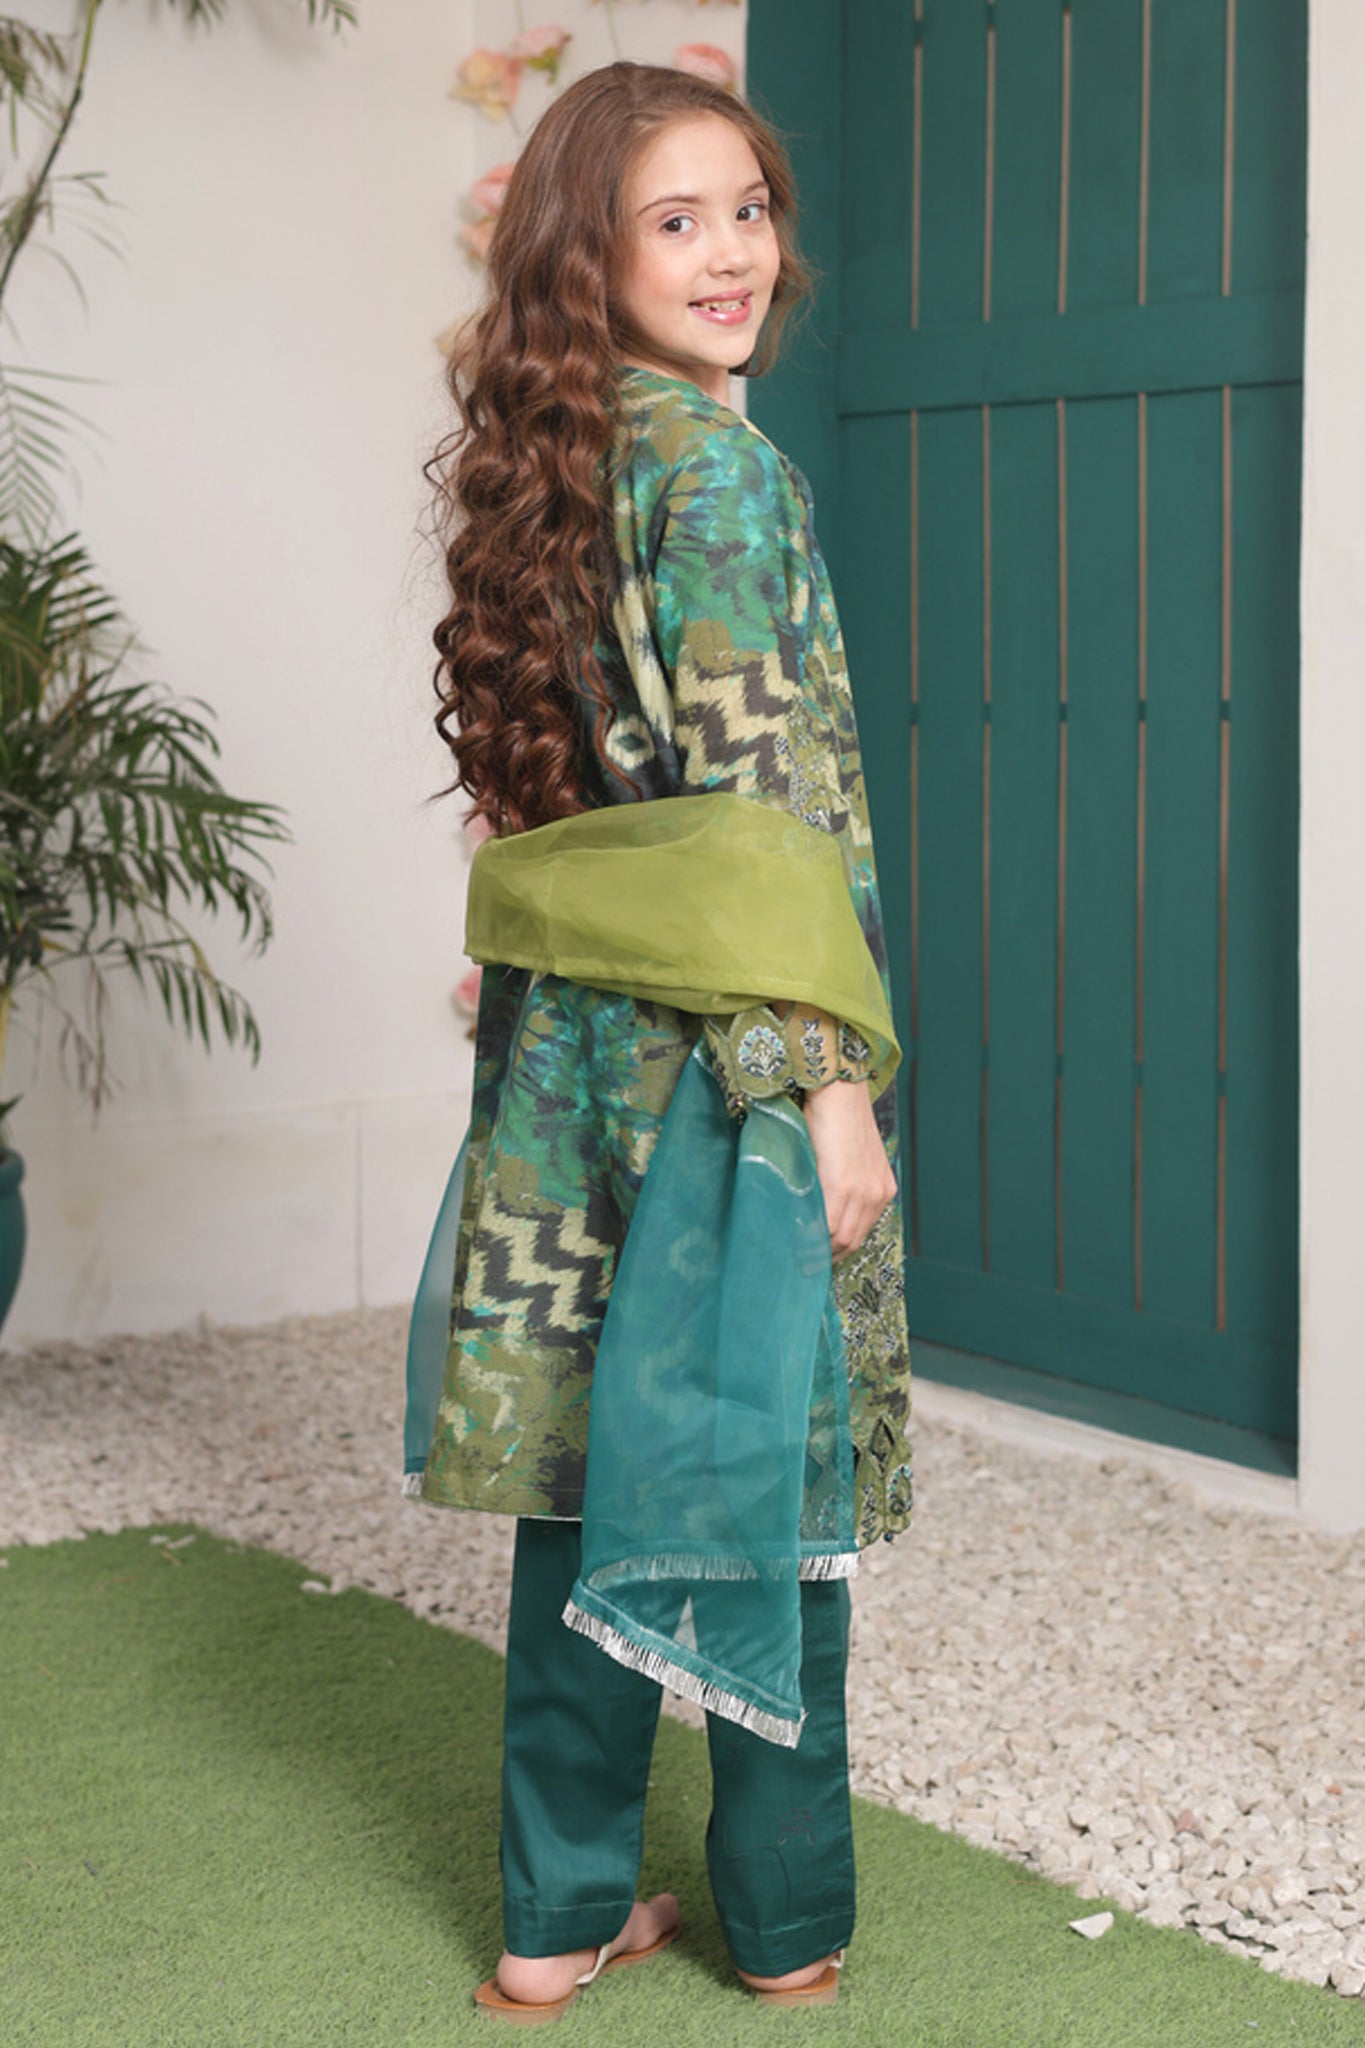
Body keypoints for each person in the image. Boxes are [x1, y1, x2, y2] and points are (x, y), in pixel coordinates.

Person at [410, 60, 913, 2022]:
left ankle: (555, 1916)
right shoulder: (716, 472)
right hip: (726, 1057)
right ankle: (782, 1924)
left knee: (585, 1470)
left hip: (571, 1063)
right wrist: (829, 1089)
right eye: (674, 221)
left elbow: (542, 804)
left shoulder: (548, 459)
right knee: (760, 1458)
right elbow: (757, 819)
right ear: (586, 254)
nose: (729, 255)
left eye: (747, 211)